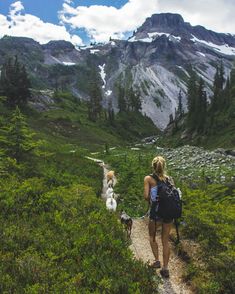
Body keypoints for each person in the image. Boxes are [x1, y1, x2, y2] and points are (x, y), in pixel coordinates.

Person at [144, 156, 173, 278]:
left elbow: (146, 196)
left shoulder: (148, 179)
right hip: (168, 214)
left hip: (156, 214)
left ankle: (157, 261)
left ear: (153, 166)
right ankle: (165, 269)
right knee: (165, 240)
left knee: (152, 237)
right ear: (164, 166)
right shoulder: (169, 179)